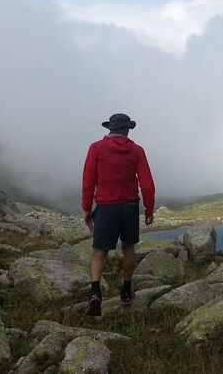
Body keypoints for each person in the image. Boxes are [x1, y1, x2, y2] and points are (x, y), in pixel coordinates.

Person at [82, 113, 155, 317]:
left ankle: (95, 292)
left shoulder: (96, 148)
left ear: (110, 129)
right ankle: (126, 290)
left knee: (99, 252)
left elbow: (89, 180)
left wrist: (87, 207)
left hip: (106, 206)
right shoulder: (137, 150)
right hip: (130, 206)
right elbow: (147, 184)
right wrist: (149, 209)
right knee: (128, 247)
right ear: (127, 129)